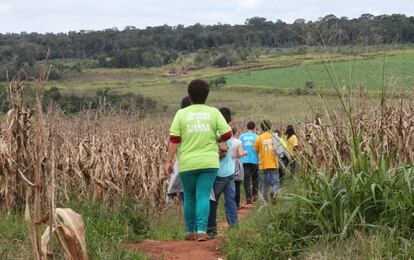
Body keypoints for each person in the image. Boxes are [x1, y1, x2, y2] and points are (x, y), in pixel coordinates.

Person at [165, 80, 232, 241]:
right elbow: (227, 134)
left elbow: (174, 140)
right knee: (203, 196)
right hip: (209, 163)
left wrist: (168, 161)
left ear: (190, 95)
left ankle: (190, 231)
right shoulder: (214, 113)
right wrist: (215, 138)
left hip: (188, 163)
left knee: (189, 197)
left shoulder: (181, 114)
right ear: (207, 95)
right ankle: (202, 231)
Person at [207, 107, 238, 239]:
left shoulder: (220, 131)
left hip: (219, 173)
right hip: (230, 171)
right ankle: (234, 227)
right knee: (230, 201)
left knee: (213, 201)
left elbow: (223, 152)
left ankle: (212, 230)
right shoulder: (228, 131)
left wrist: (209, 156)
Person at [166, 96, 192, 204]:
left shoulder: (180, 116)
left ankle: (170, 195)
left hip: (184, 162)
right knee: (201, 195)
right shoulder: (204, 117)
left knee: (186, 194)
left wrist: (168, 161)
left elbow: (173, 141)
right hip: (203, 163)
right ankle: (202, 220)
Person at [254, 120, 280, 202]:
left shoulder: (259, 138)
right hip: (274, 163)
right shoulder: (275, 137)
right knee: (275, 183)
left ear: (262, 128)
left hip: (263, 164)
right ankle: (274, 193)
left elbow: (256, 150)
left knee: (263, 185)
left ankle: (265, 202)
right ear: (270, 126)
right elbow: (279, 150)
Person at [239, 121, 259, 204]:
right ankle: (255, 196)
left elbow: (239, 148)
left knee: (246, 180)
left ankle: (248, 198)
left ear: (247, 128)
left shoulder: (242, 137)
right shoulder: (257, 137)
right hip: (255, 160)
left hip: (245, 161)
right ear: (254, 128)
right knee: (255, 179)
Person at [231, 126, 247, 209]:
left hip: (227, 165)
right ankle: (236, 204)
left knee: (229, 187)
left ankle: (230, 204)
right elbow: (240, 154)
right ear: (235, 132)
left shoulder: (224, 142)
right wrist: (245, 152)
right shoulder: (238, 142)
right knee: (237, 185)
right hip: (236, 164)